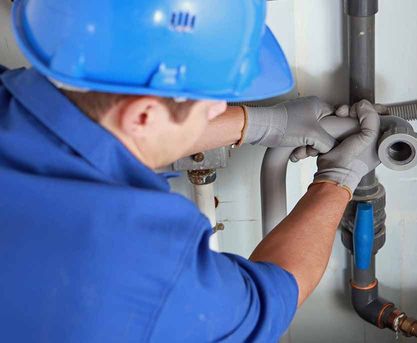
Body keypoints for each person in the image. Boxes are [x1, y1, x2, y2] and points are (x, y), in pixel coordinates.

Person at [0, 0, 380, 342]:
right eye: (211, 106)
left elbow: (123, 130)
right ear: (144, 116)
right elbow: (272, 296)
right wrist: (337, 181)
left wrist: (262, 123)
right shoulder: (143, 264)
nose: (219, 110)